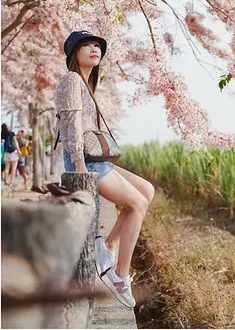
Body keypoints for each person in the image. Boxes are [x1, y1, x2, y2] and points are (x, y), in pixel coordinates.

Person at [55, 30, 154, 308]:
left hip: (95, 160)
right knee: (136, 204)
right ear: (74, 53)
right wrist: (80, 165)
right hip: (85, 162)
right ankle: (121, 275)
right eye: (86, 45)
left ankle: (107, 245)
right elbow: (71, 128)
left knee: (147, 190)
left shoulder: (86, 83)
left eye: (97, 45)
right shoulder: (72, 80)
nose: (93, 49)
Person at [2, 123, 20, 188]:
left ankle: (6, 181)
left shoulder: (2, 134)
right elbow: (15, 142)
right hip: (13, 153)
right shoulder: (11, 133)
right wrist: (18, 150)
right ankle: (11, 182)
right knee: (13, 169)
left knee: (7, 168)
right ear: (7, 127)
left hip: (6, 153)